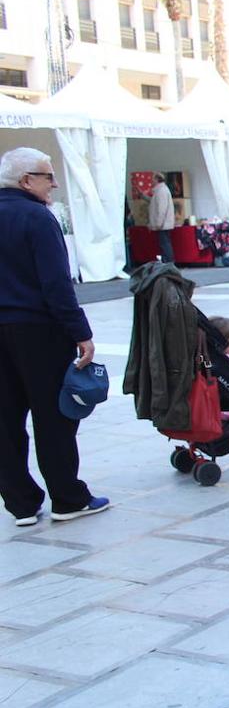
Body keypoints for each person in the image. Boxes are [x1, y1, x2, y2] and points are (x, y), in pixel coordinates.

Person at [0, 147, 108, 526]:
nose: (55, 183)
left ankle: (21, 504)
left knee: (5, 419)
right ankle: (67, 498)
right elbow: (56, 284)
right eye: (48, 176)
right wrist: (80, 332)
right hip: (38, 330)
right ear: (26, 180)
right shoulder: (37, 217)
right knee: (54, 416)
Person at [145, 172, 176, 264]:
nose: (151, 181)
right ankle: (167, 261)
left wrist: (158, 223)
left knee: (164, 244)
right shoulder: (160, 191)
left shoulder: (161, 191)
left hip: (163, 224)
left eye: (153, 179)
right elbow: (154, 202)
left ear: (157, 179)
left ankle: (168, 262)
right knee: (164, 243)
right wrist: (143, 196)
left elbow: (161, 208)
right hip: (164, 223)